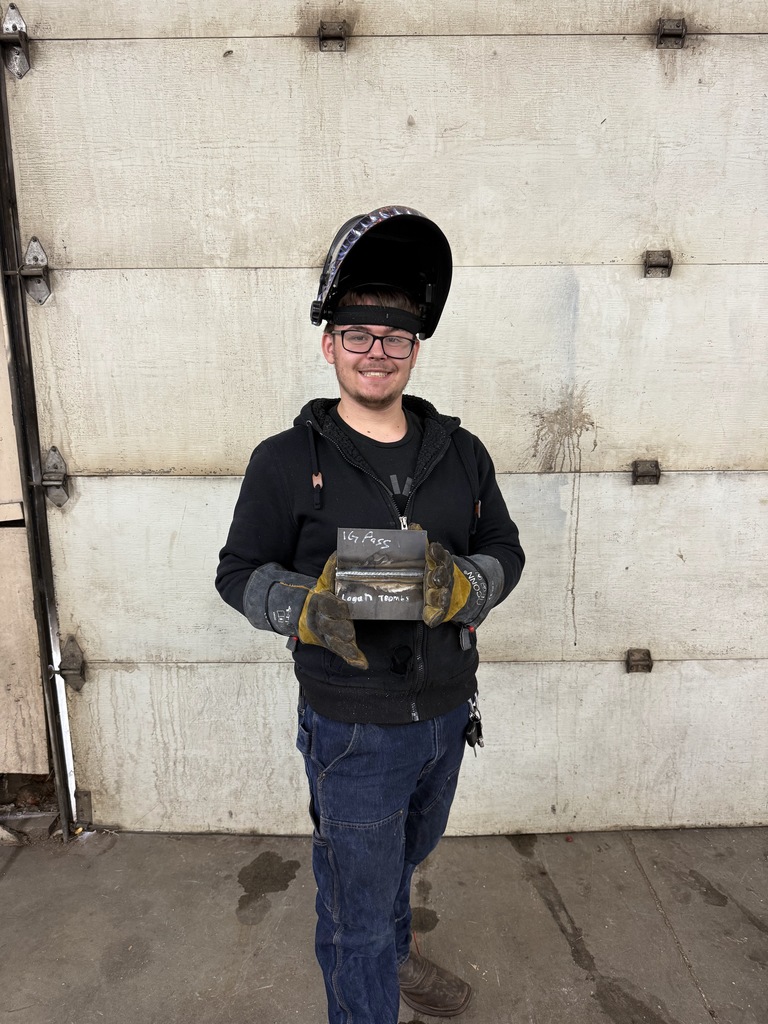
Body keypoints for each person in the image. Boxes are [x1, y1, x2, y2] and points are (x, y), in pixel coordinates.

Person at [216, 206, 524, 1024]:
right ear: (329, 345)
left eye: (394, 337)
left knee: (401, 861)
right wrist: (301, 607)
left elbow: (507, 548)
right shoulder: (284, 462)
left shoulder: (462, 452)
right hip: (353, 727)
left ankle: (398, 956)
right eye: (358, 335)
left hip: (447, 711)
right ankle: (373, 972)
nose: (376, 352)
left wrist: (471, 586)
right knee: (352, 912)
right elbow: (236, 573)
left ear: (416, 349)